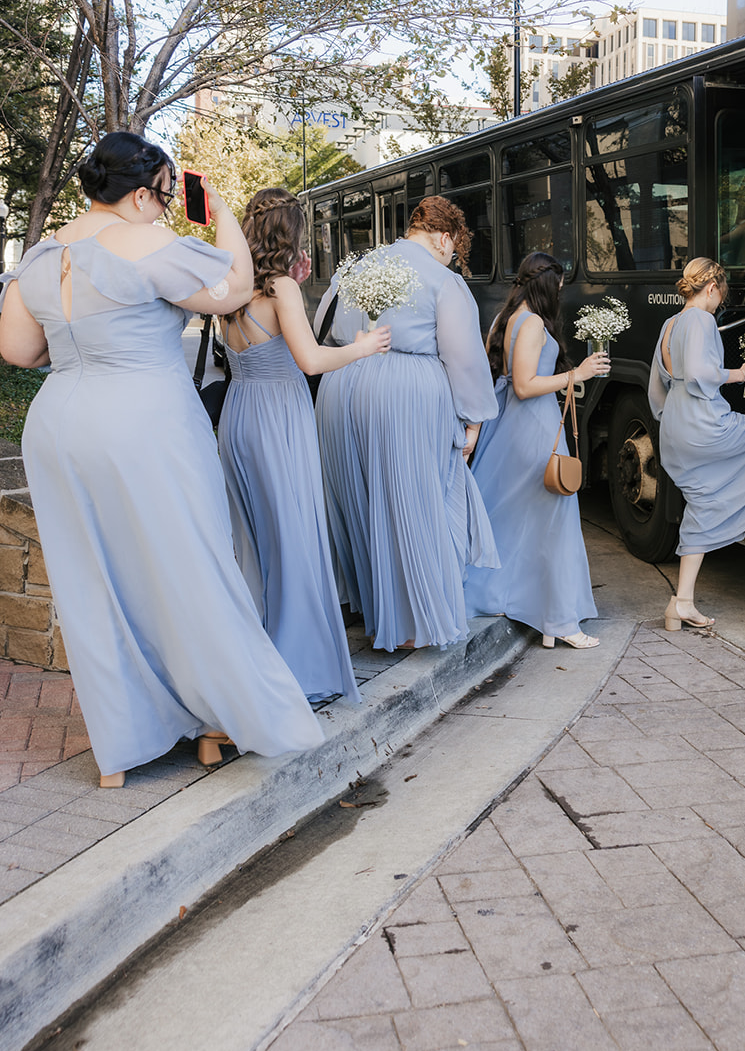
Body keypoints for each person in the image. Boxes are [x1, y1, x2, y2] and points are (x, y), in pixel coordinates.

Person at [0, 133, 324, 787]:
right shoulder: (148, 242)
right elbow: (232, 289)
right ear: (143, 192)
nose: (167, 206)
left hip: (59, 423)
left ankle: (120, 750)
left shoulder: (39, 255)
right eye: (167, 194)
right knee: (191, 561)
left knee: (96, 583)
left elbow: (16, 350)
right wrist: (223, 211)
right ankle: (216, 723)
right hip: (144, 420)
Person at [218, 189, 389, 702]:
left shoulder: (234, 288)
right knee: (292, 540)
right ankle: (298, 671)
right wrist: (361, 348)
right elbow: (310, 360)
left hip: (239, 416)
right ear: (289, 232)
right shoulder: (281, 291)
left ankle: (253, 664)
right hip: (279, 419)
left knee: (253, 544)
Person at [316, 196, 499, 652]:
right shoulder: (442, 279)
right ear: (444, 238)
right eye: (455, 250)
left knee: (363, 500)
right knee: (413, 504)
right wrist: (473, 420)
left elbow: (322, 323)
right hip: (404, 393)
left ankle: (376, 616)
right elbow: (462, 357)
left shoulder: (356, 268)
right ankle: (411, 623)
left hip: (341, 387)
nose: (453, 258)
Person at [464, 253, 608, 649]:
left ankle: (533, 612)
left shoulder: (504, 318)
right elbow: (525, 385)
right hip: (535, 428)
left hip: (510, 426)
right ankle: (559, 620)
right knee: (555, 521)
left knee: (512, 518)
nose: (561, 293)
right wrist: (576, 375)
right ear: (546, 286)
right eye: (559, 286)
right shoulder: (531, 324)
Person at [648, 257, 745, 633]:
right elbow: (699, 374)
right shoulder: (700, 319)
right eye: (719, 297)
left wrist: (672, 422)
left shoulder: (670, 323)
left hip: (675, 426)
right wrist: (742, 373)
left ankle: (681, 603)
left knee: (703, 502)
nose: (718, 304)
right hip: (702, 421)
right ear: (711, 288)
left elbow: (656, 387)